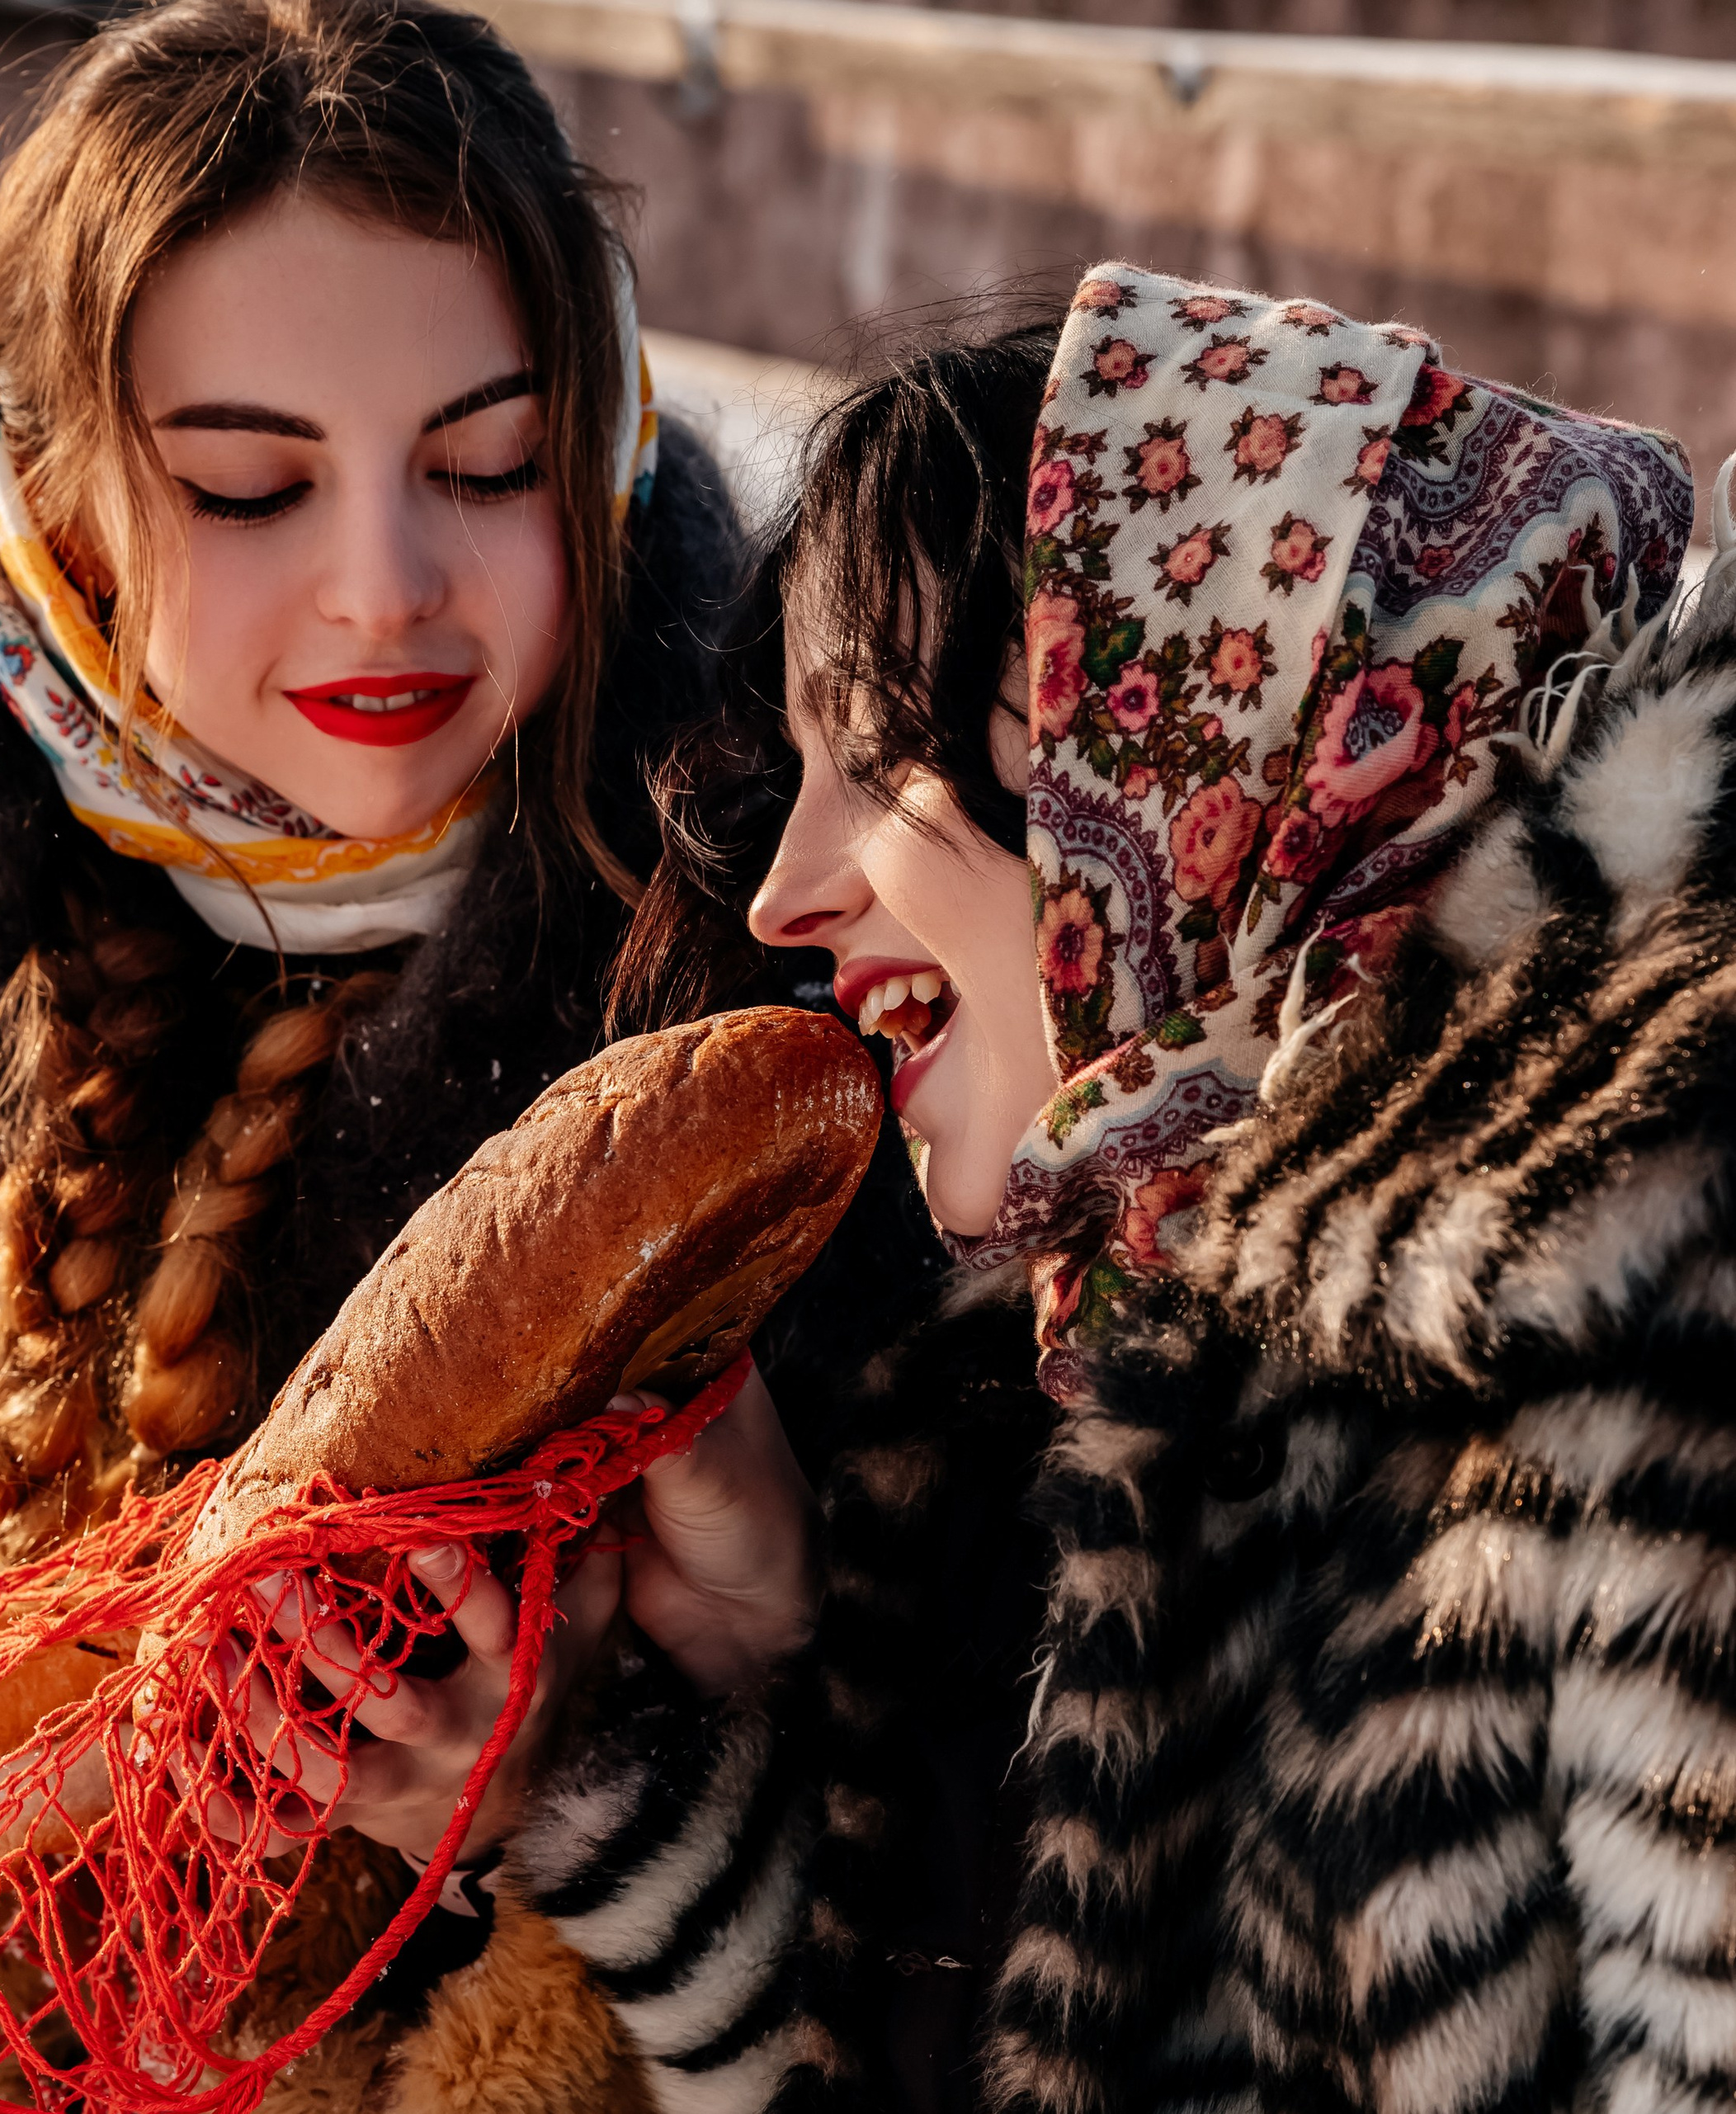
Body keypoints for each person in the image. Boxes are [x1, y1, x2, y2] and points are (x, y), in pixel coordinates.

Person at [0, 2, 926, 2102]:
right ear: (53, 494)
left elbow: (982, 1800)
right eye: (246, 486)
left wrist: (676, 1714)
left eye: (489, 466)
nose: (382, 591)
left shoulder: (811, 889)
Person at [511, 262, 1715, 2114]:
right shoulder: (1043, 1402)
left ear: (1210, 763)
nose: (785, 896)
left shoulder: (1644, 1367)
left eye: (891, 755)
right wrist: (640, 1760)